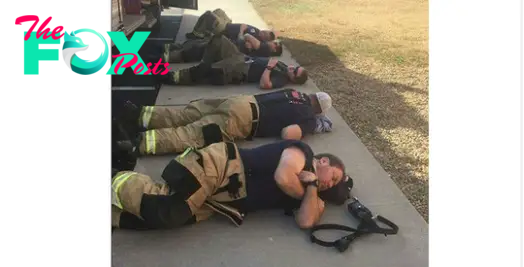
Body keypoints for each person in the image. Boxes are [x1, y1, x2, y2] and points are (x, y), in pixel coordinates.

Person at [111, 140, 353, 230]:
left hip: (223, 199)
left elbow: (306, 222)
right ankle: (112, 178)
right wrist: (306, 191)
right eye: (332, 176)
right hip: (221, 167)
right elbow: (283, 177)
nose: (327, 184)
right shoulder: (301, 152)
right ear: (323, 161)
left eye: (331, 186)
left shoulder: (309, 190)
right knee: (169, 210)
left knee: (157, 221)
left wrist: (311, 188)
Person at [116, 88, 333, 156]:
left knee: (187, 114)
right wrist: (310, 127)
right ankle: (138, 144)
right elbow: (288, 134)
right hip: (244, 119)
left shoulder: (293, 92)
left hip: (239, 101)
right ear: (318, 110)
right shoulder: (307, 116)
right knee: (193, 134)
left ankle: (140, 114)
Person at [163, 34, 283, 63]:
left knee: (201, 48)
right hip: (232, 47)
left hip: (230, 50)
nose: (273, 42)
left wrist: (249, 40)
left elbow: (247, 36)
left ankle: (168, 56)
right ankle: (170, 49)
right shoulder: (263, 47)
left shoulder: (265, 48)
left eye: (275, 43)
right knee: (201, 42)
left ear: (274, 49)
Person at [185, 8, 277, 42]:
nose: (263, 32)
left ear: (265, 39)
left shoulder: (255, 39)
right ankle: (207, 29)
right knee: (219, 11)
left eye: (265, 35)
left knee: (209, 15)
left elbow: (241, 35)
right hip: (228, 24)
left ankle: (197, 33)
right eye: (265, 31)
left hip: (224, 30)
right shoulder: (257, 31)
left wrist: (241, 30)